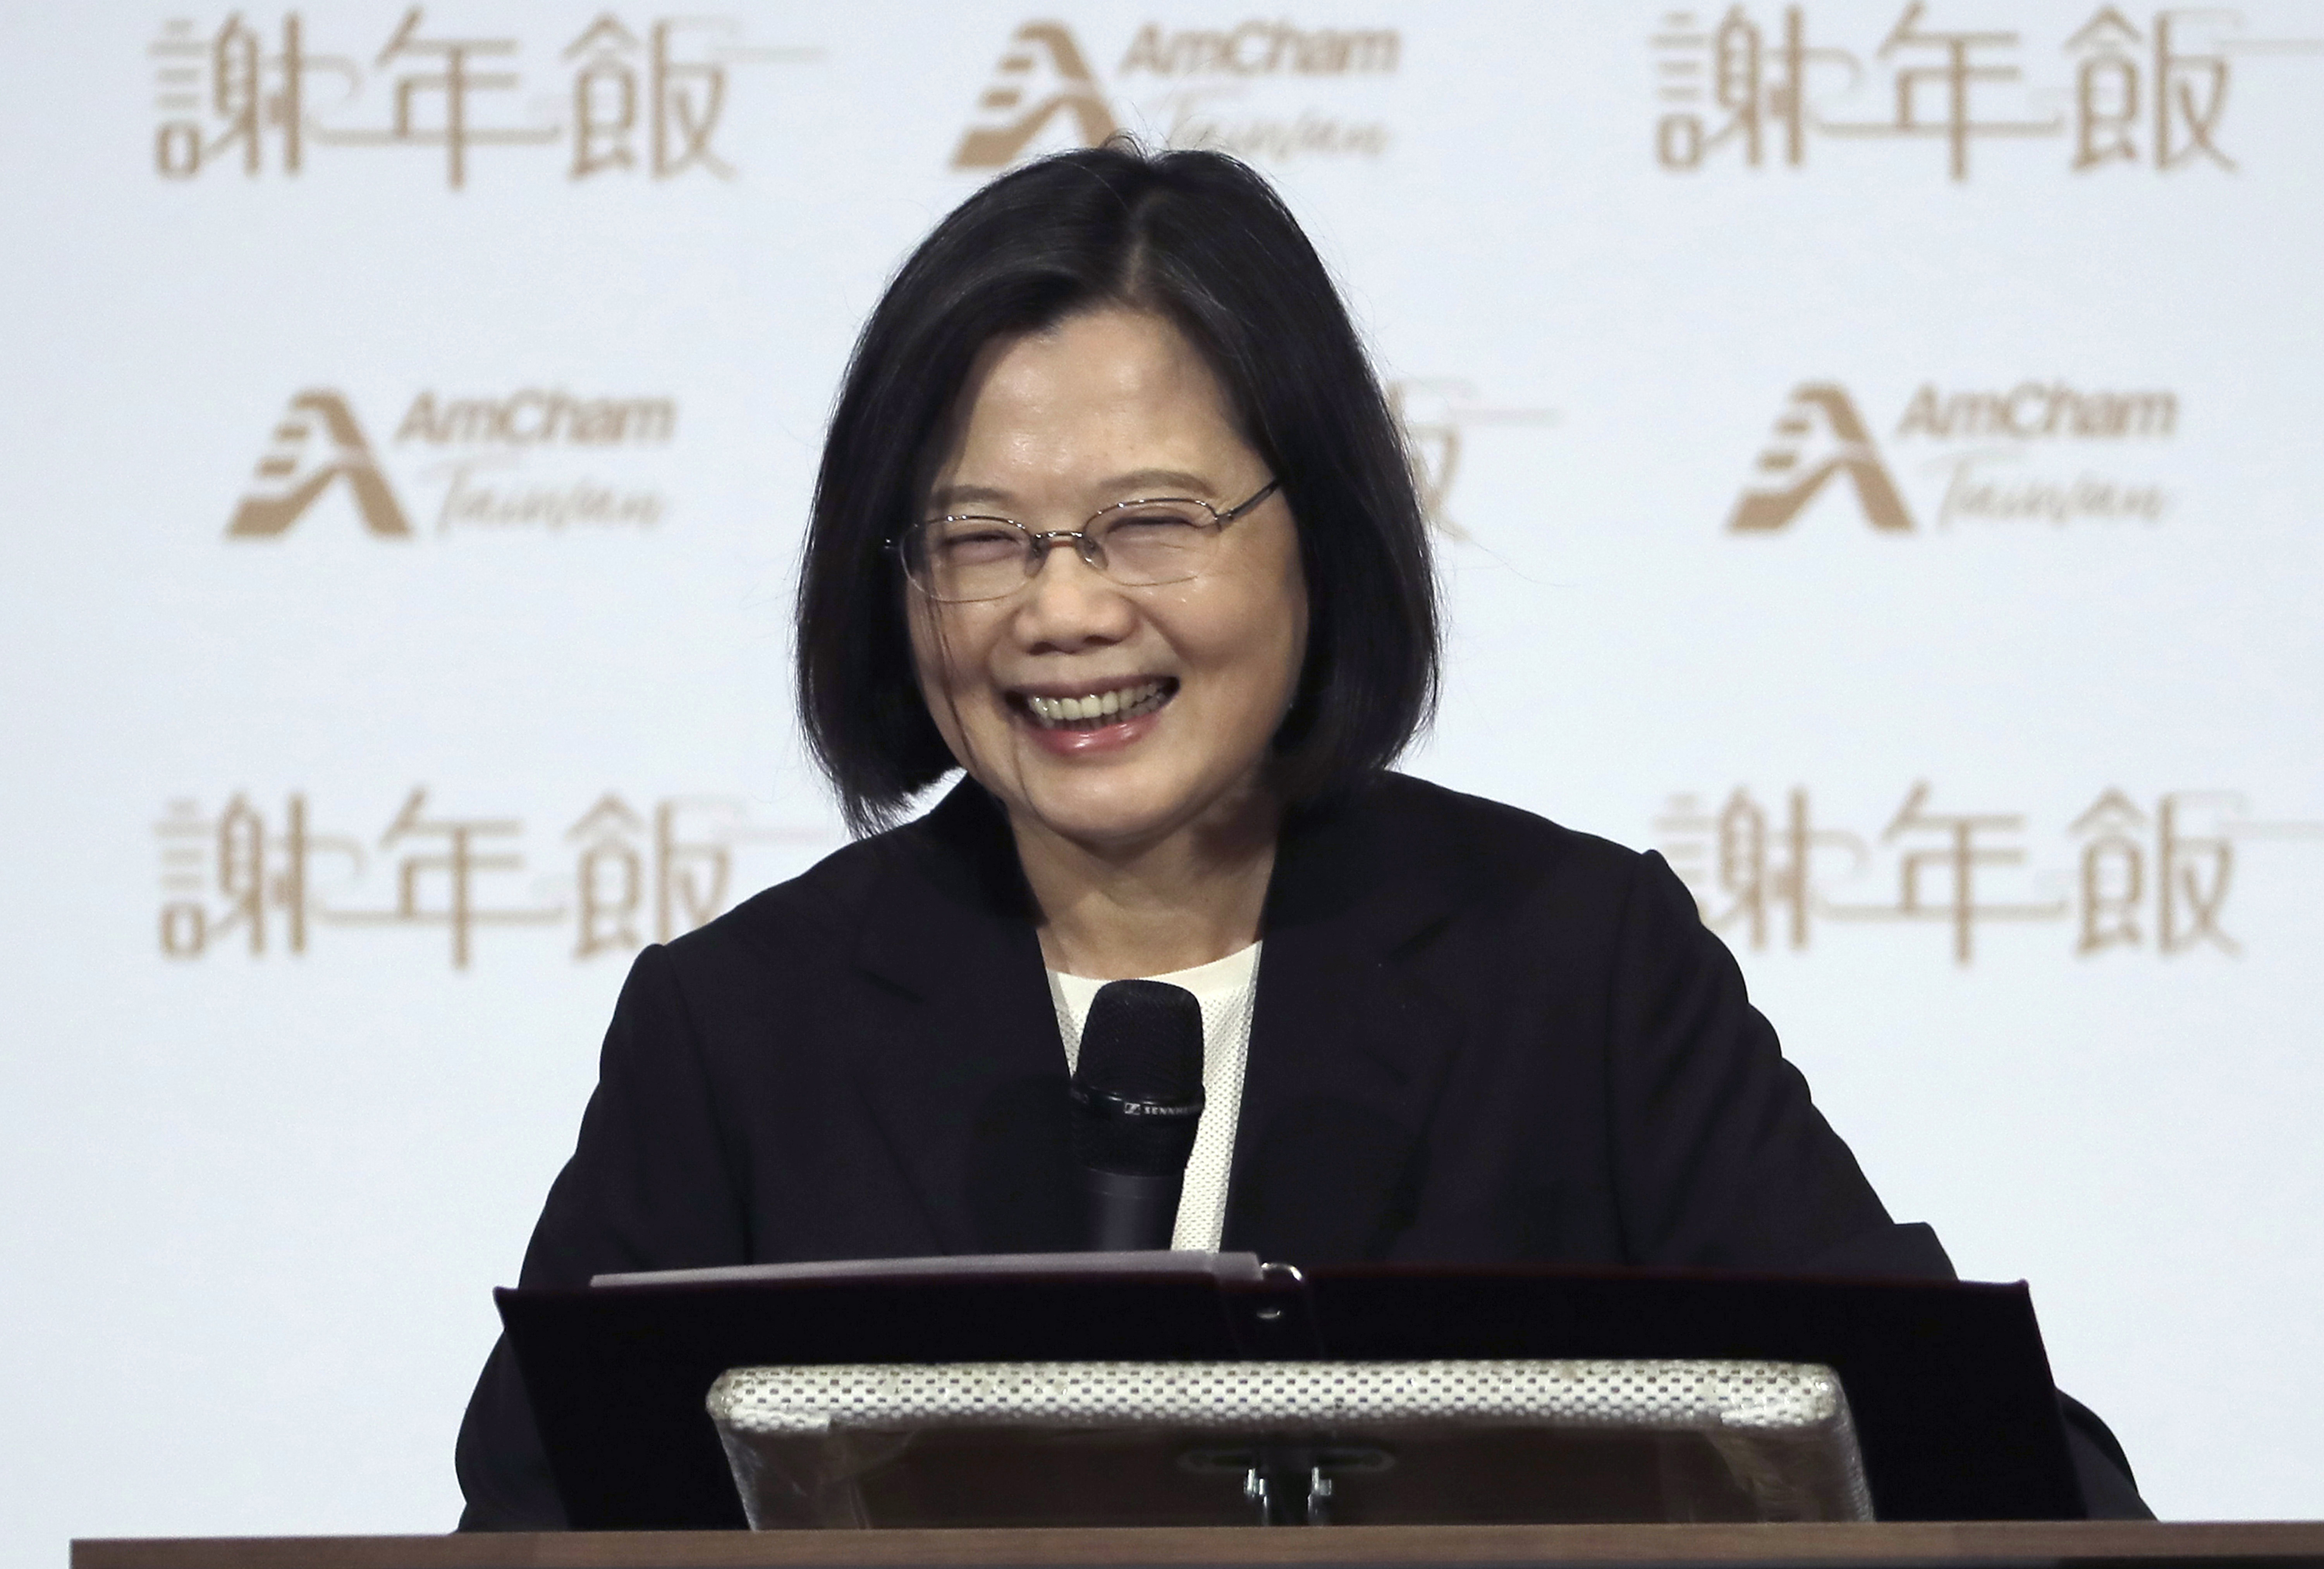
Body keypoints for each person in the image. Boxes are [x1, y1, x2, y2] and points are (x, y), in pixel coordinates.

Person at [454, 142, 2147, 1525]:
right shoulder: (743, 1030)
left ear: (1315, 530)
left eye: (1150, 522)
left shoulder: (1574, 967)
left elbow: (1983, 1467)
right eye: (982, 539)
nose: (1062, 611)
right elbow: (534, 1528)